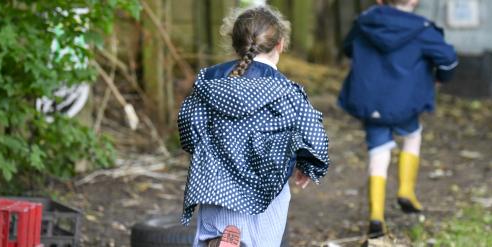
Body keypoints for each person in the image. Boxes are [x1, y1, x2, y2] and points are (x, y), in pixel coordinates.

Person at [177, 6, 330, 247]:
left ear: (233, 43)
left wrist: (206, 151)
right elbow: (314, 136)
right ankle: (241, 240)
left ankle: (224, 237)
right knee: (263, 238)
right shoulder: (287, 91)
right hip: (266, 182)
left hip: (214, 182)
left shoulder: (208, 81)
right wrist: (309, 165)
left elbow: (189, 126)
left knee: (217, 228)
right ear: (280, 45)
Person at [338, 0, 457, 239]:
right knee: (412, 135)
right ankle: (405, 190)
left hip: (369, 100)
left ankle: (376, 217)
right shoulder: (423, 29)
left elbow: (348, 48)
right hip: (405, 102)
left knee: (378, 151)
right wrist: (441, 77)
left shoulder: (363, 23)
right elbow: (448, 59)